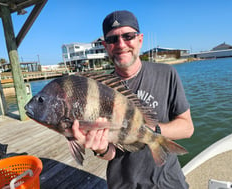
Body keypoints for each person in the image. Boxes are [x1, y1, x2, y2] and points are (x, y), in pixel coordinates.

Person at [72, 10, 194, 189]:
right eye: (113, 39)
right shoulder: (98, 91)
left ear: (140, 39)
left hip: (169, 181)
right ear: (106, 46)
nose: (121, 44)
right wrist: (101, 148)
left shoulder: (167, 74)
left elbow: (187, 128)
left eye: (128, 36)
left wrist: (152, 131)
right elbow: (111, 153)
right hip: (124, 184)